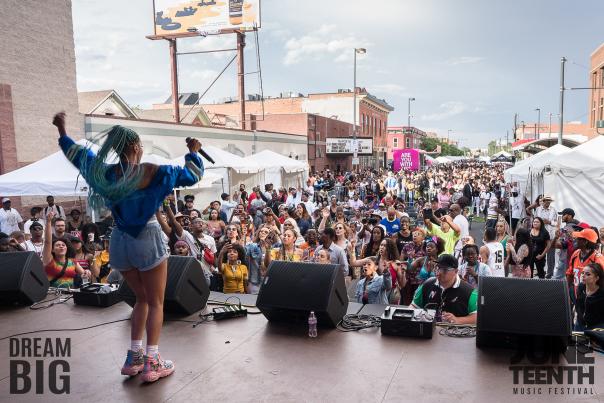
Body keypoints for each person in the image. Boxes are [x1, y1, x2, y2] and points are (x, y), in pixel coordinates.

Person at [54, 112, 204, 382]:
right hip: (147, 237)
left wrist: (63, 131)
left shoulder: (103, 173)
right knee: (157, 302)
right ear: (136, 148)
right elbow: (192, 175)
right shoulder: (154, 172)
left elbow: (76, 154)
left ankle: (133, 357)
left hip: (120, 240)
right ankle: (152, 362)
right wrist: (193, 152)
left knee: (142, 299)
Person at [412, 254, 478, 325]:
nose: (439, 272)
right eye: (437, 267)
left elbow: (477, 317)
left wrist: (457, 320)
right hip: (428, 332)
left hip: (456, 333)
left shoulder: (469, 292)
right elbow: (413, 306)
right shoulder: (427, 284)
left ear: (456, 271)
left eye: (444, 270)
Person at [42, 212, 90, 288]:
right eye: (57, 245)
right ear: (53, 250)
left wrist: (87, 272)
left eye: (63, 245)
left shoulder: (72, 261)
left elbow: (84, 275)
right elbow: (47, 242)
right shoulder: (49, 261)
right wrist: (48, 221)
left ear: (67, 249)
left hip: (70, 297)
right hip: (53, 297)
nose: (61, 246)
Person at [566, 228, 604, 306]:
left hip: (592, 299)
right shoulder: (576, 254)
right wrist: (567, 292)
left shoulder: (597, 258)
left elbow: (602, 280)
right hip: (577, 295)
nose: (575, 240)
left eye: (579, 238)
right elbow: (570, 275)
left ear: (585, 242)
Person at [574, 263, 604, 330]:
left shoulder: (601, 293)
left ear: (597, 278)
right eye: (582, 273)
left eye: (588, 274)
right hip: (580, 325)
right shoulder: (581, 287)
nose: (583, 276)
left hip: (596, 328)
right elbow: (578, 305)